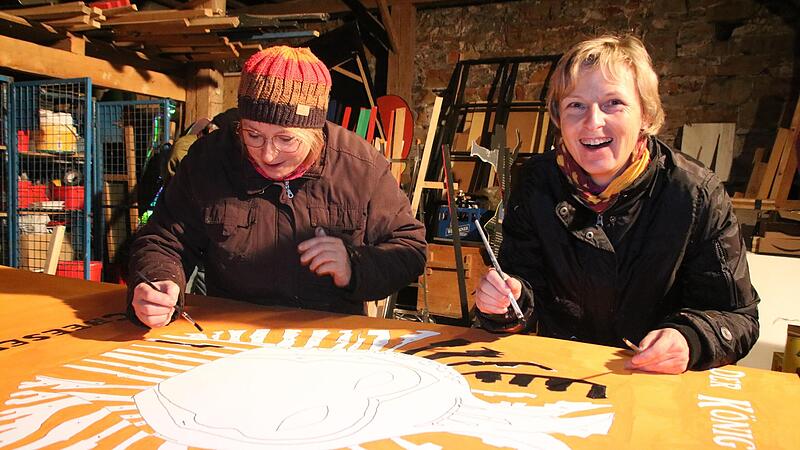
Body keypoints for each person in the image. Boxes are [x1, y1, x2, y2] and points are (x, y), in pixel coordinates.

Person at [475, 35, 759, 374]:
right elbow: (524, 286)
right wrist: (506, 302)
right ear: (558, 118)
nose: (593, 122)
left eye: (613, 103)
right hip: (559, 376)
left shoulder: (695, 194)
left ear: (645, 114)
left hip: (655, 385)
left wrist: (691, 339)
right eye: (575, 105)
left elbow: (737, 317)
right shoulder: (537, 182)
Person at [128, 46, 427, 327]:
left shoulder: (359, 166)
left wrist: (355, 265)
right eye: (253, 135)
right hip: (230, 332)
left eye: (286, 139)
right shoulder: (211, 159)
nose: (268, 154)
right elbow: (163, 239)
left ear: (314, 131)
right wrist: (158, 279)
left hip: (326, 336)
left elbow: (409, 249)